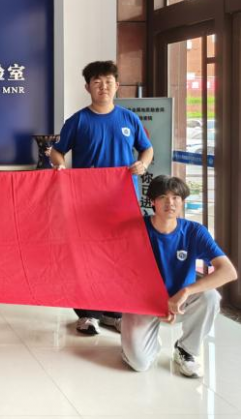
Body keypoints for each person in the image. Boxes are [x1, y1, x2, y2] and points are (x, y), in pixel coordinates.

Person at [50, 60, 153, 336]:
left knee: (119, 256)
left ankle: (113, 312)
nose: (103, 87)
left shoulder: (129, 119)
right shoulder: (78, 121)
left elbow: (147, 149)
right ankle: (88, 314)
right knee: (86, 256)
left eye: (108, 81)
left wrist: (143, 164)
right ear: (88, 87)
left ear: (117, 85)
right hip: (85, 203)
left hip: (123, 202)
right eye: (97, 82)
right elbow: (57, 151)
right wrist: (60, 166)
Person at [122, 175, 237, 377]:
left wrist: (186, 292)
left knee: (210, 296)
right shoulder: (135, 229)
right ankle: (144, 343)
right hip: (142, 302)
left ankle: (186, 350)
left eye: (176, 197)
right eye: (163, 197)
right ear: (152, 201)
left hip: (179, 301)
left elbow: (228, 271)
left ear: (183, 201)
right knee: (139, 363)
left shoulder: (194, 231)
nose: (170, 202)